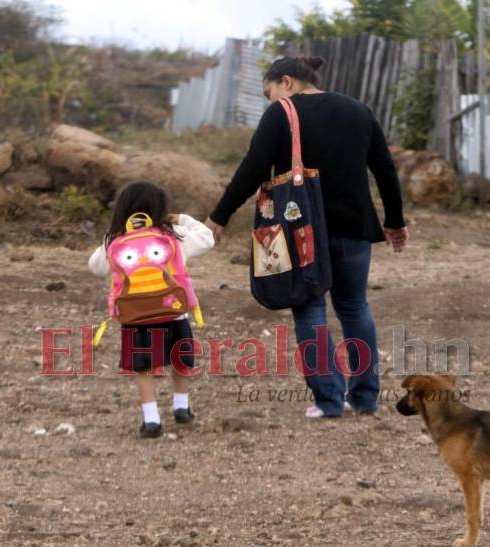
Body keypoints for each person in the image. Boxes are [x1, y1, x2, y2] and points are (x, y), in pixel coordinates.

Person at [207, 56, 408, 419]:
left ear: (287, 82)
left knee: (310, 308)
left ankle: (330, 400)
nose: (271, 101)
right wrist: (395, 220)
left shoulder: (282, 113)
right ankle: (364, 397)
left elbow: (253, 167)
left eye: (270, 92)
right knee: (354, 307)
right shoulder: (359, 110)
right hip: (354, 229)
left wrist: (220, 215)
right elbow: (384, 169)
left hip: (302, 231)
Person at [89, 181, 215, 437]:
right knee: (180, 360)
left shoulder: (116, 240)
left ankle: (151, 420)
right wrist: (181, 219)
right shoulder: (173, 237)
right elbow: (207, 238)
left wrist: (111, 236)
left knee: (144, 368)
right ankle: (181, 407)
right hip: (173, 312)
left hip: (136, 317)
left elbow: (95, 266)